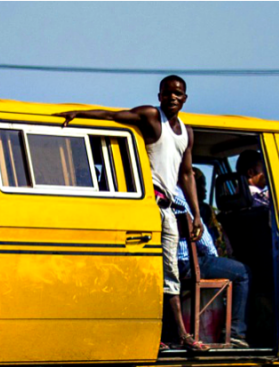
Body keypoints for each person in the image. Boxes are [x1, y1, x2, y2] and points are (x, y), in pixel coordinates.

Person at [54, 75, 210, 352]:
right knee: (146, 272)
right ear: (159, 95)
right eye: (168, 93)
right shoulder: (152, 117)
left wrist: (197, 215)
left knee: (169, 273)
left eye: (178, 94)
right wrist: (80, 113)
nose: (173, 97)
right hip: (148, 205)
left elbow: (186, 174)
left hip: (168, 211)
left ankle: (178, 336)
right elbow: (114, 116)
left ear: (185, 98)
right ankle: (170, 335)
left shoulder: (187, 132)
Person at [172, 187, 251, 348]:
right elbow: (203, 239)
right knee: (242, 272)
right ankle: (236, 332)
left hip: (170, 264)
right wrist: (214, 259)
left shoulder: (162, 195)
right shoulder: (178, 195)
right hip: (186, 262)